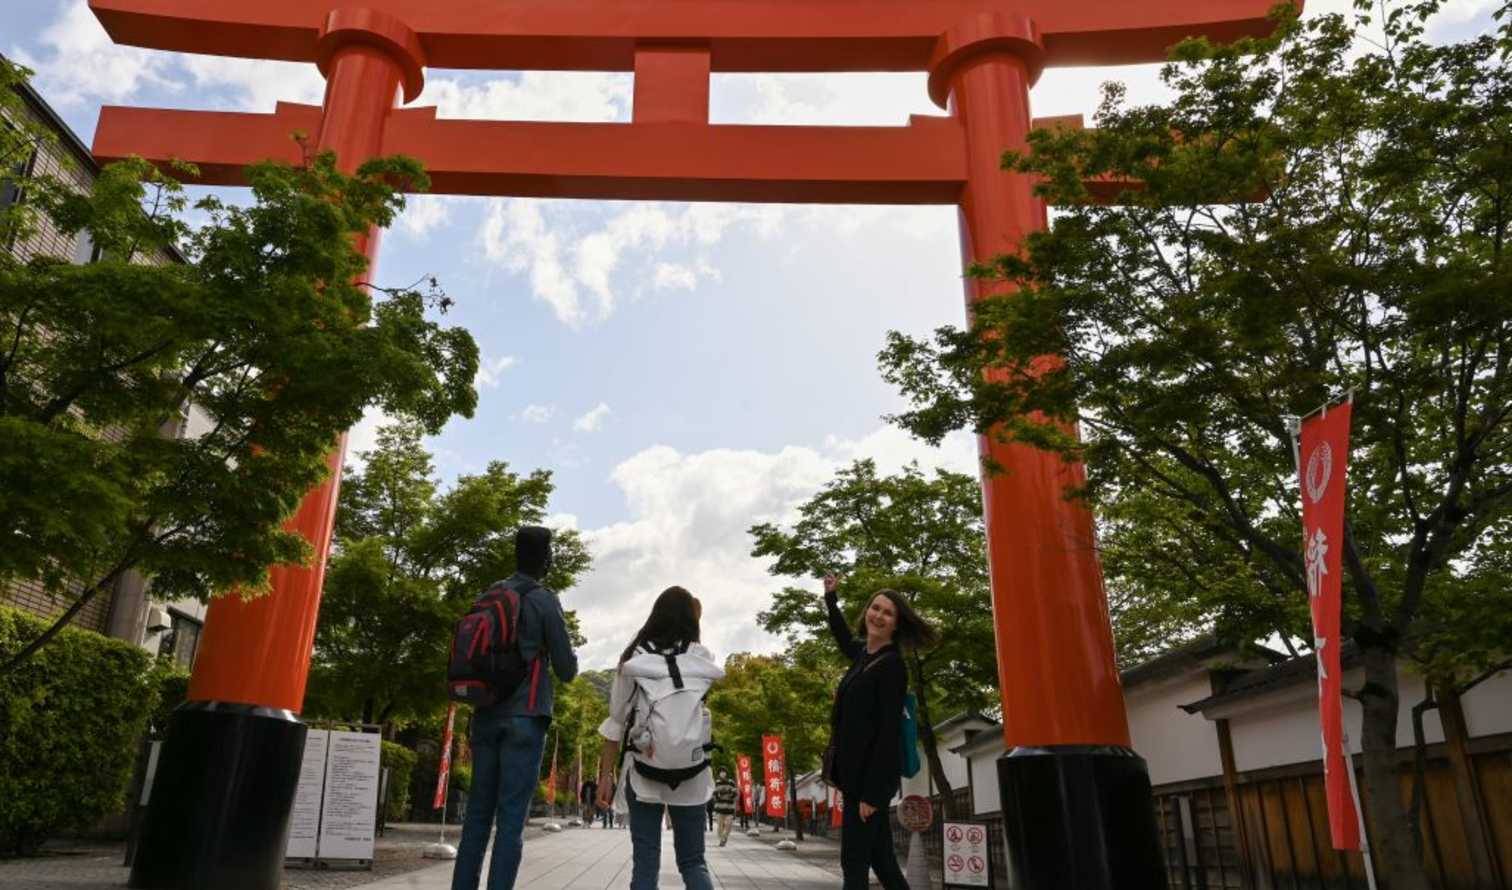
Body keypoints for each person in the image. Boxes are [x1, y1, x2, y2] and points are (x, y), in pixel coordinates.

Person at [452, 527, 578, 890]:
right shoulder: (544, 599)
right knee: (510, 822)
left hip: (487, 711)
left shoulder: (491, 593)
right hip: (526, 714)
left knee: (477, 818)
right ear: (546, 559)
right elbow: (566, 670)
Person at [595, 587, 724, 890]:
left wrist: (605, 775)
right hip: (692, 772)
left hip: (644, 768)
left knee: (646, 860)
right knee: (693, 862)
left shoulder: (634, 658)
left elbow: (615, 722)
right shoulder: (700, 656)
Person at [822, 573, 937, 890]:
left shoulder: (891, 667)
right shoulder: (863, 655)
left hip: (868, 785)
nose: (879, 616)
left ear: (897, 624)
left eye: (888, 613)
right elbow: (842, 636)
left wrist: (873, 794)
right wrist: (831, 598)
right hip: (854, 780)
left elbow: (887, 733)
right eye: (875, 608)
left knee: (854, 865)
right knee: (884, 863)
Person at [712, 769, 739, 847]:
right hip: (720, 808)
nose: (722, 773)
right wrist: (718, 796)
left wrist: (730, 795)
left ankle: (724, 838)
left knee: (728, 825)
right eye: (721, 772)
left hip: (729, 808)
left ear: (726, 773)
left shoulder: (731, 782)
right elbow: (714, 794)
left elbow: (735, 793)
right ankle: (722, 840)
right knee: (720, 826)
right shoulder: (717, 782)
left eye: (724, 772)